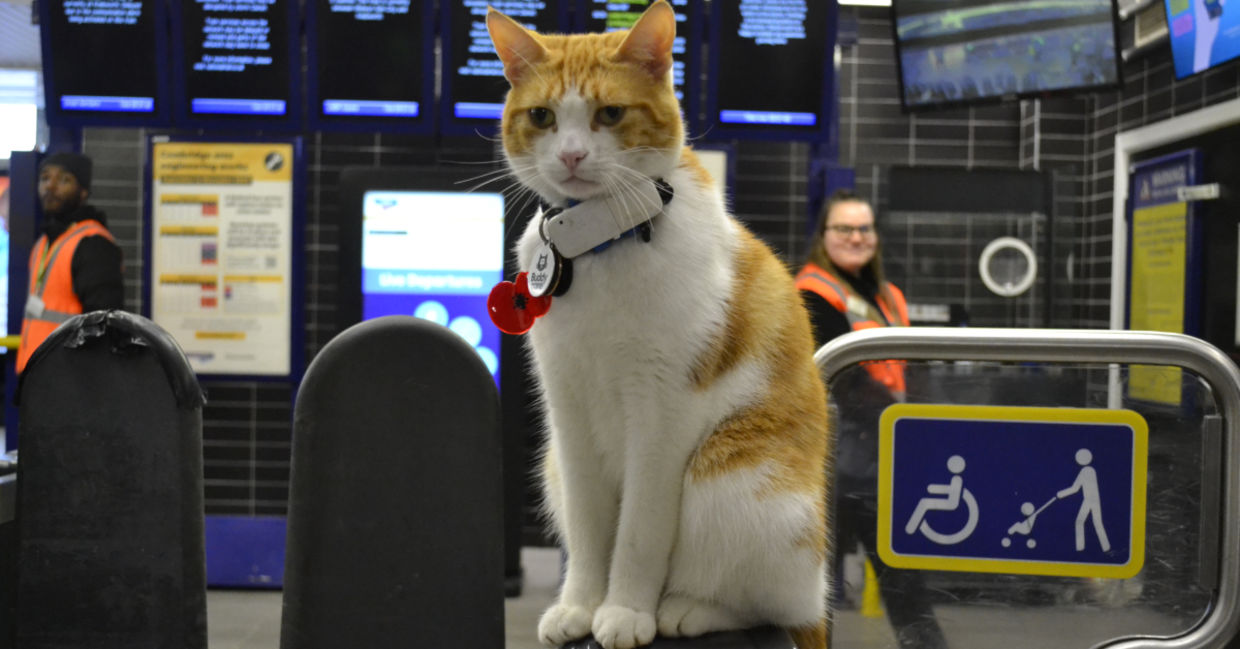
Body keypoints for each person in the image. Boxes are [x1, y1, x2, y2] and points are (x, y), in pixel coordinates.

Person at [797, 190, 948, 649]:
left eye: (864, 229)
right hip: (832, 462)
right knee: (813, 582)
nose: (856, 237)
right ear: (824, 236)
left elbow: (908, 366)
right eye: (844, 228)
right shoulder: (812, 293)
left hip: (882, 456)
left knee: (902, 576)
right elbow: (844, 380)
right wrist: (904, 419)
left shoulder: (887, 295)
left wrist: (924, 421)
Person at [16, 152, 124, 373]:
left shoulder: (93, 243)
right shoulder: (44, 243)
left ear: (83, 192)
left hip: (69, 383)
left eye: (64, 180)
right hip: (37, 377)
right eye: (45, 178)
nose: (51, 187)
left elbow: (103, 327)